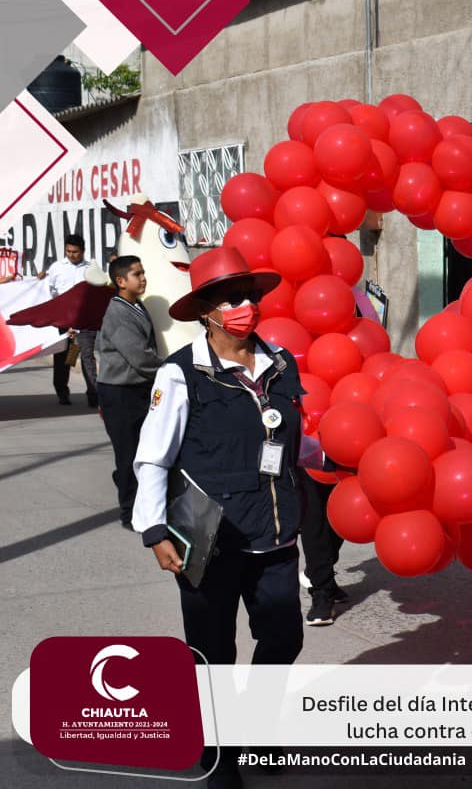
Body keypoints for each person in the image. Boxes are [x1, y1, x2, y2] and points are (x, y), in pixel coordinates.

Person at [131, 248, 304, 787]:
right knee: (212, 651)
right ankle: (217, 751)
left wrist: (334, 457)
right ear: (206, 309)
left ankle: (255, 726)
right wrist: (154, 529)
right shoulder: (181, 375)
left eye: (251, 296)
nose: (246, 306)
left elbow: (287, 438)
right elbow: (153, 455)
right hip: (206, 533)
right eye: (232, 298)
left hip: (274, 529)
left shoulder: (281, 361)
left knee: (283, 638)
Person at [96, 256, 160, 531]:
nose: (143, 278)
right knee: (128, 454)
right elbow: (140, 357)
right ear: (121, 282)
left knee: (140, 451)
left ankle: (127, 486)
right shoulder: (118, 313)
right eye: (137, 274)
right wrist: (171, 369)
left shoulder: (136, 305)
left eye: (143, 272)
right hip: (120, 393)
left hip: (136, 389)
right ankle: (128, 513)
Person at [43, 234, 99, 406]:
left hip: (85, 321)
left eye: (75, 252)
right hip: (64, 322)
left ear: (82, 251)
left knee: (87, 358)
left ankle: (94, 395)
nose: (71, 254)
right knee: (63, 359)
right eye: (68, 251)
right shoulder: (56, 268)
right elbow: (49, 291)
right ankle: (62, 392)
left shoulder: (91, 268)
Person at [297, 470, 347, 626]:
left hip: (348, 454)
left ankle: (318, 572)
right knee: (314, 515)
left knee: (346, 513)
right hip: (309, 452)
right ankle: (322, 590)